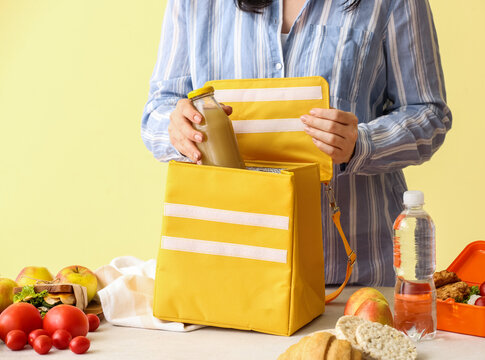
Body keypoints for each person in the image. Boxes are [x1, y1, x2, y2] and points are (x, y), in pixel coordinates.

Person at [141, 0, 452, 287]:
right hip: (229, 270)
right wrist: (178, 129)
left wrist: (363, 143)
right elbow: (159, 110)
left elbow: (429, 112)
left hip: (355, 277)